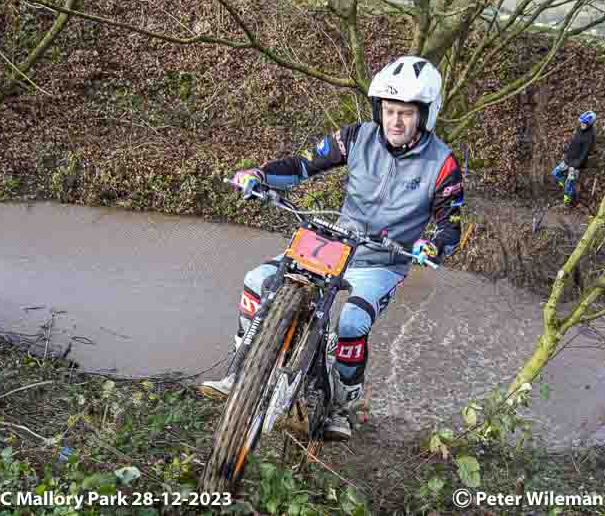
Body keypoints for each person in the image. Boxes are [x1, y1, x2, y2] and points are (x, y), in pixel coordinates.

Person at [198, 56, 465, 441]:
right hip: (335, 242)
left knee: (352, 322)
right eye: (389, 111)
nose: (395, 122)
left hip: (383, 259)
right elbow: (303, 164)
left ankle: (341, 407)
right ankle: (239, 374)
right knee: (257, 281)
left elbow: (449, 223)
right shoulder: (356, 136)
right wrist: (258, 175)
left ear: (425, 114)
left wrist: (432, 245)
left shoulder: (443, 163)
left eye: (405, 113)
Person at [552, 111, 597, 205]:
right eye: (581, 122)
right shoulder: (580, 128)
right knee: (555, 173)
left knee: (570, 183)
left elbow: (585, 153)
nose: (581, 124)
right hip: (569, 158)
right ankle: (564, 184)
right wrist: (567, 151)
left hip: (577, 164)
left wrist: (576, 165)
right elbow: (574, 141)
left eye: (584, 123)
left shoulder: (590, 136)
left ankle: (568, 201)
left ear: (589, 124)